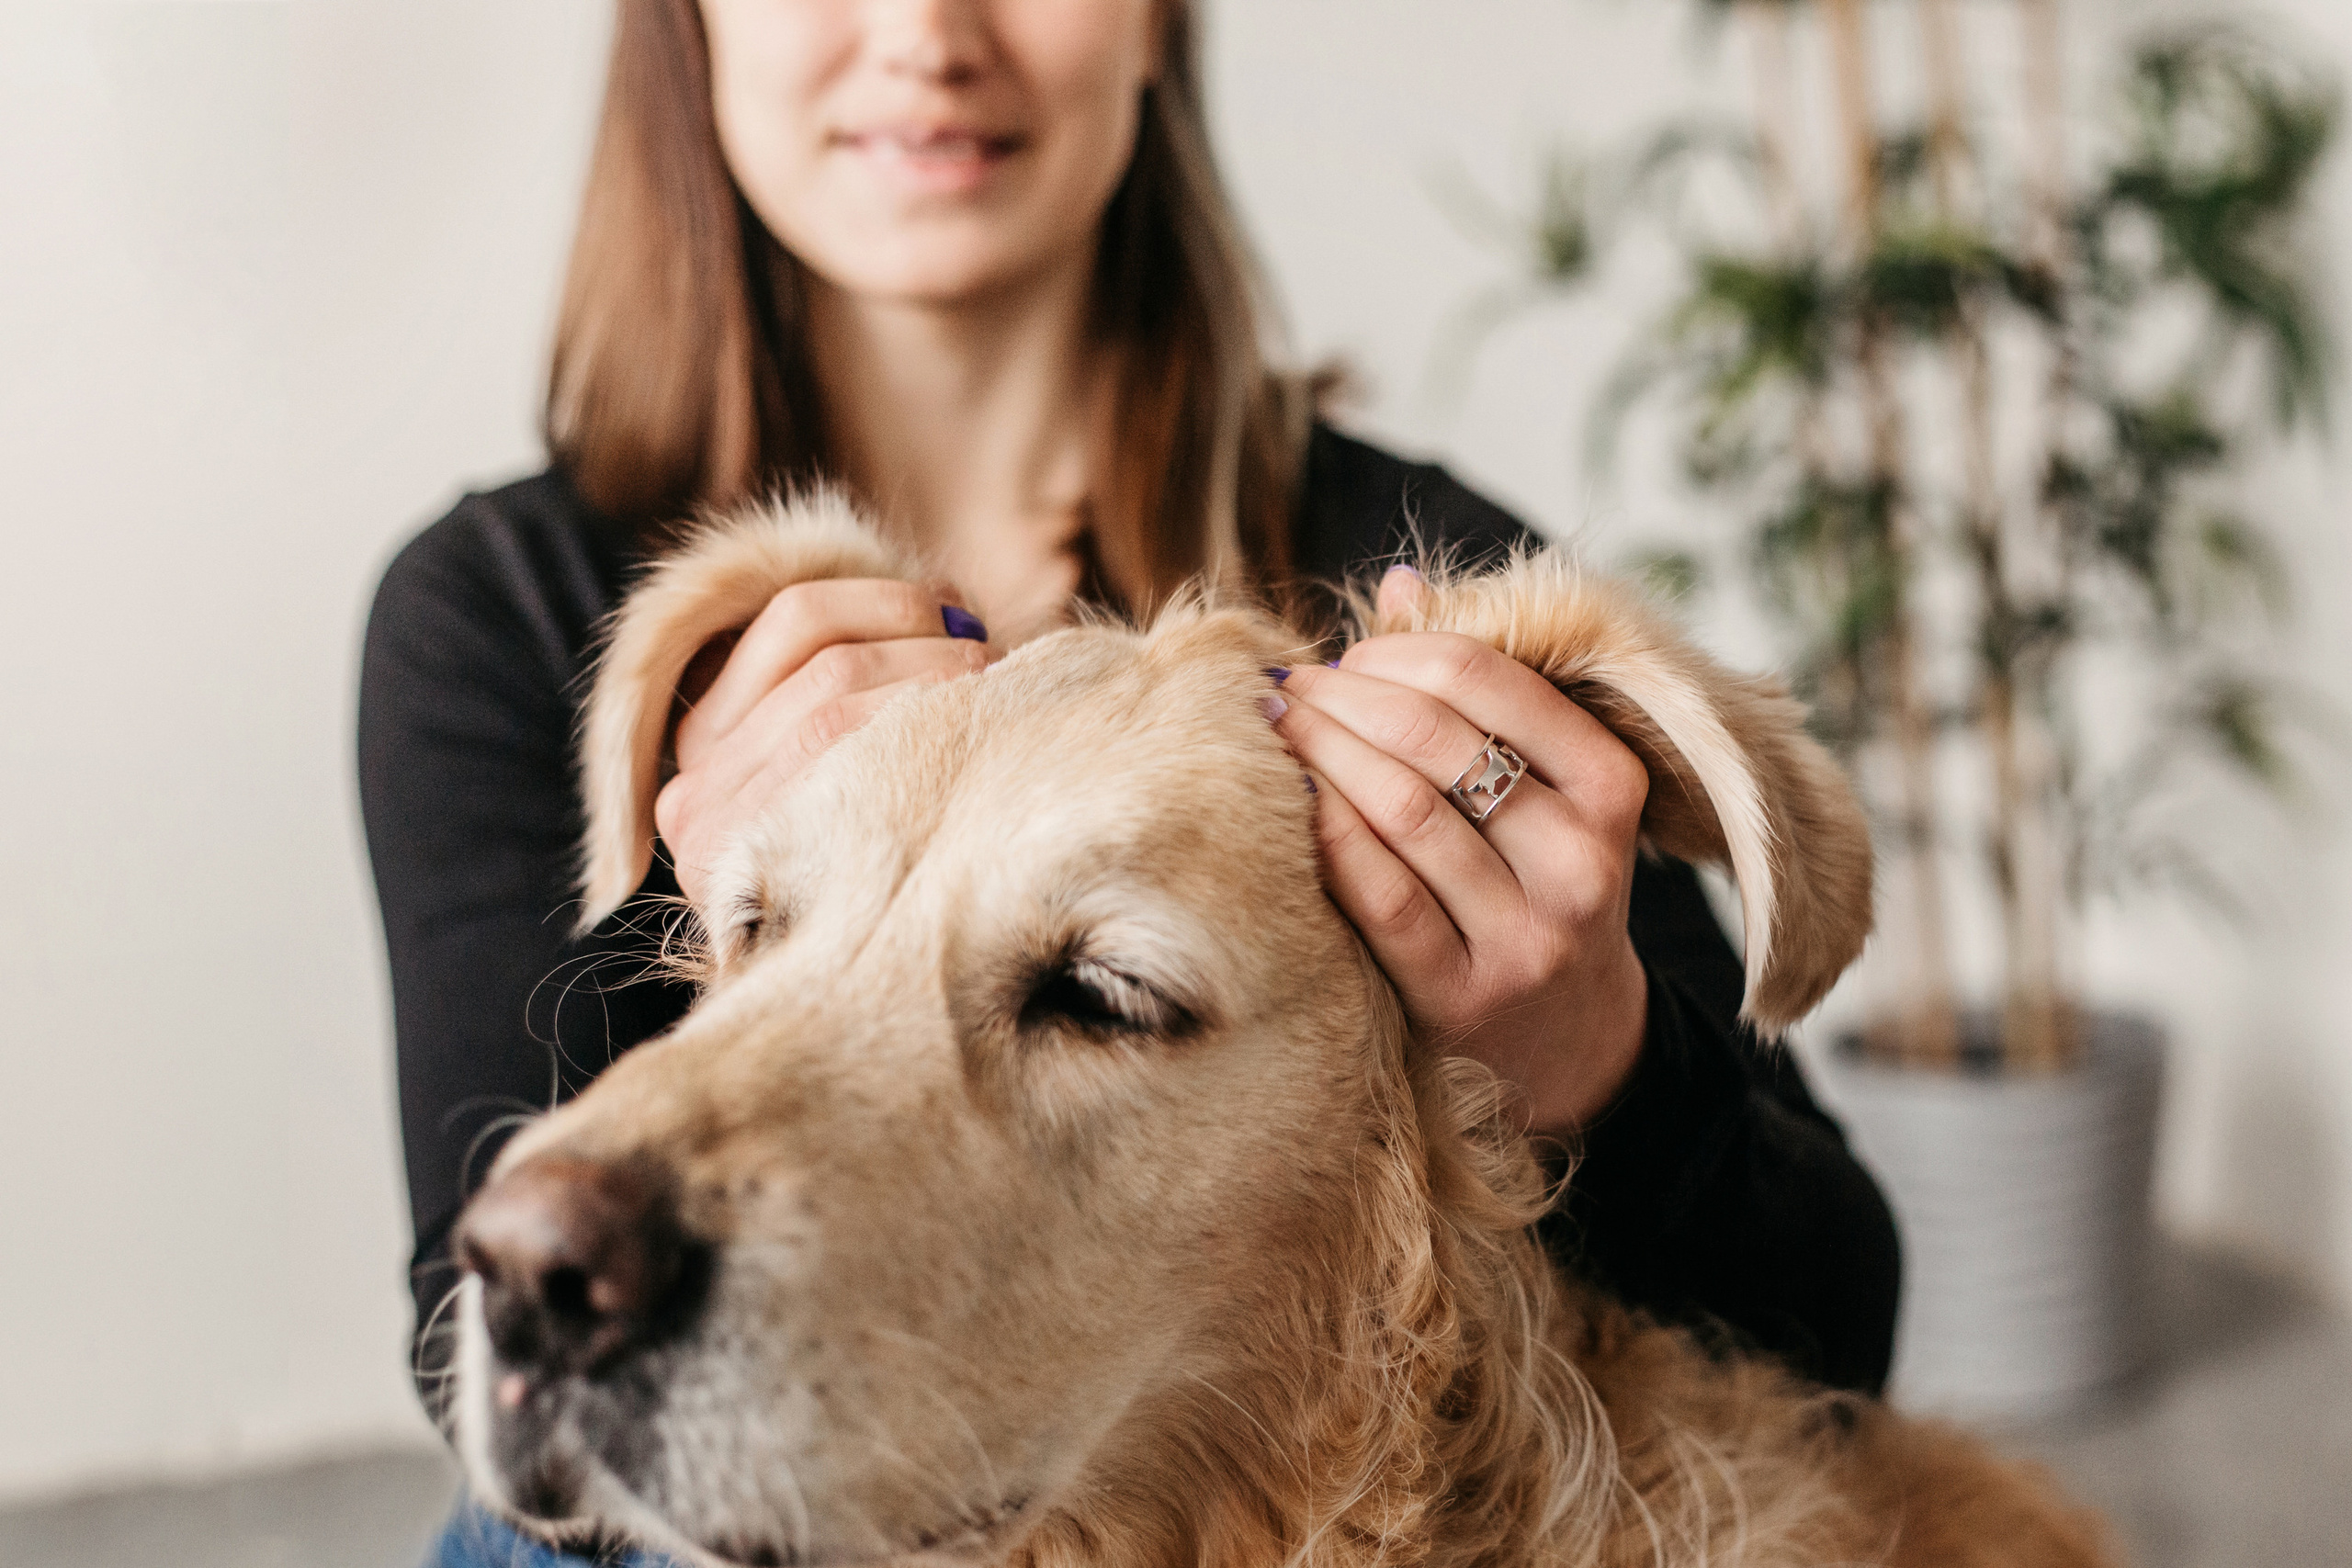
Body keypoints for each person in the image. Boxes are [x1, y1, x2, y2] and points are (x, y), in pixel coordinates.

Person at [360, 3, 1900, 1563]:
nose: (924, 31)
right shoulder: (504, 606)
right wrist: (722, 930)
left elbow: (1836, 1339)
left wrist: (1591, 1054)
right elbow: (483, 1317)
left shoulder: (1425, 609)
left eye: (1101, 991)